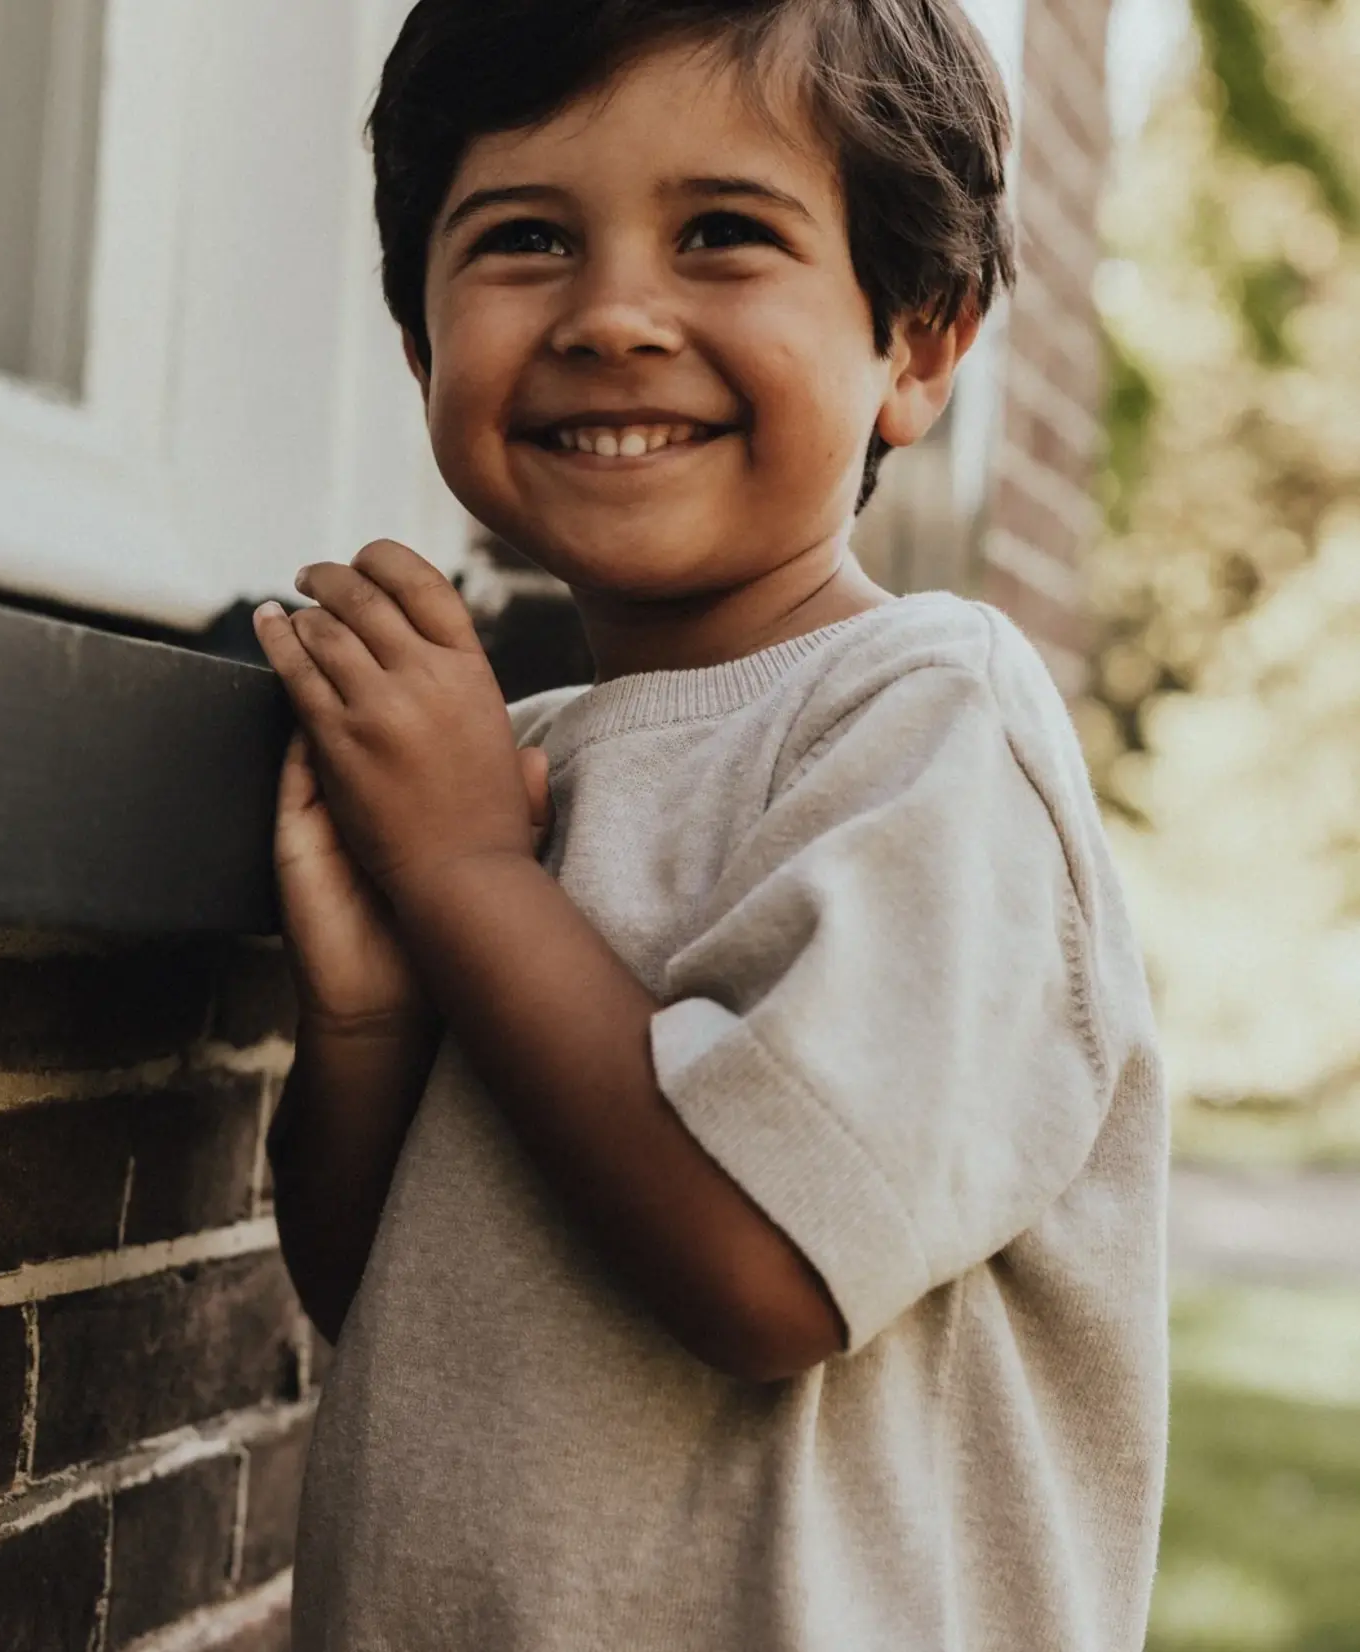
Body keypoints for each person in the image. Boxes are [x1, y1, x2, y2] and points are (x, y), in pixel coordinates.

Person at [253, 1, 1169, 1647]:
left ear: (920, 346)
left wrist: (463, 871)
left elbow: (762, 1270)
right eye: (525, 238)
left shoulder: (930, 725)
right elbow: (386, 1306)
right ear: (418, 342)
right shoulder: (500, 761)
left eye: (725, 235)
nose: (613, 314)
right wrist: (374, 1010)